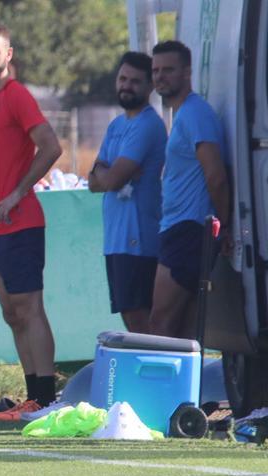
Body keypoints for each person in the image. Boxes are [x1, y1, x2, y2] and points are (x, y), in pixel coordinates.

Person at [0, 21, 63, 421]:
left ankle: (45, 397)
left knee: (30, 308)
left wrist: (18, 192)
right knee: (12, 314)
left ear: (9, 56)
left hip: (22, 223)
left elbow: (51, 146)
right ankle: (31, 397)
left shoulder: (16, 96)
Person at [148, 40, 230, 339]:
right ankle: (185, 387)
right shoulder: (183, 114)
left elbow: (216, 176)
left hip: (188, 229)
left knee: (161, 323)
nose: (159, 76)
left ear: (187, 72)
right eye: (156, 70)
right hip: (180, 229)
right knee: (183, 328)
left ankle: (165, 388)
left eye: (168, 70)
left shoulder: (196, 113)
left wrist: (227, 228)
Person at [87, 52, 167, 334]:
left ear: (150, 87)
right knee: (129, 314)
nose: (127, 85)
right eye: (123, 78)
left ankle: (154, 376)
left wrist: (108, 175)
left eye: (135, 81)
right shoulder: (116, 126)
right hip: (116, 240)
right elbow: (94, 181)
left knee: (140, 319)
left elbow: (109, 180)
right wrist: (106, 174)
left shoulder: (148, 124)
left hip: (138, 239)